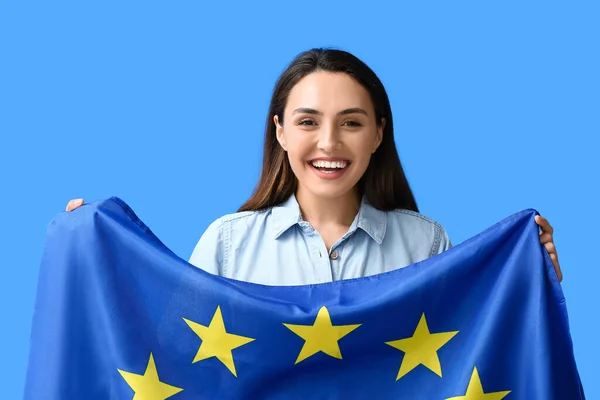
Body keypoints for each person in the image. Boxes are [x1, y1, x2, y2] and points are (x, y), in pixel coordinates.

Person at [65, 48, 563, 285]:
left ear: (378, 134)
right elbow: (172, 359)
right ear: (280, 131)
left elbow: (470, 356)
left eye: (350, 122)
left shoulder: (426, 243)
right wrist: (98, 254)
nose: (329, 143)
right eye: (308, 122)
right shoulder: (227, 243)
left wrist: (530, 283)